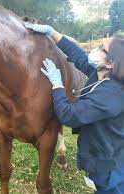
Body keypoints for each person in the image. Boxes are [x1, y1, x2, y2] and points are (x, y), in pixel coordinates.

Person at [24, 22, 124, 194]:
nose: (96, 49)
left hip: (108, 166)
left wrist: (57, 85)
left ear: (110, 63)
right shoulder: (103, 73)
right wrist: (52, 32)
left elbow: (69, 116)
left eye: (101, 47)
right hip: (104, 154)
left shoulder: (111, 96)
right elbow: (78, 56)